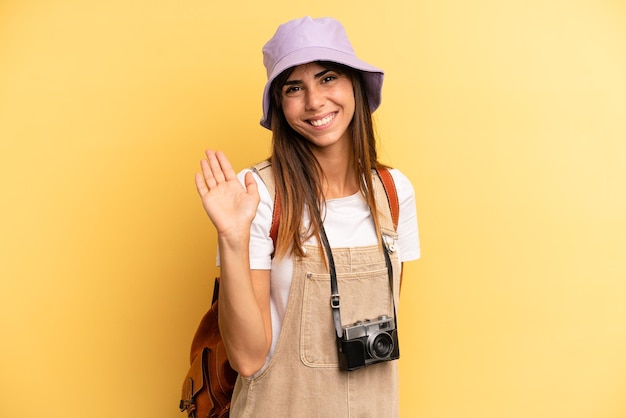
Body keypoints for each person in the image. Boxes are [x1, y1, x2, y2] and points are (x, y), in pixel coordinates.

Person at [194, 16, 420, 417]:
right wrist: (232, 236)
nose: (315, 101)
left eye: (328, 78)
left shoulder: (393, 193)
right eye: (294, 88)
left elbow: (388, 314)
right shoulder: (258, 193)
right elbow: (247, 359)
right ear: (280, 104)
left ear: (354, 85)